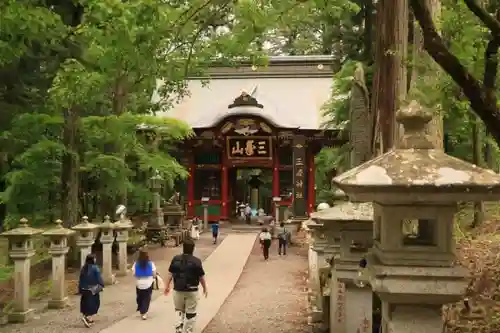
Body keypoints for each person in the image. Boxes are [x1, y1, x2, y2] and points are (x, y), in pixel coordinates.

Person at [164, 239, 208, 333]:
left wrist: (167, 286)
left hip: (178, 289)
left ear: (183, 248)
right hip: (192, 290)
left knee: (179, 310)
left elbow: (170, 274)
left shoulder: (176, 259)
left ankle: (179, 328)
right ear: (193, 249)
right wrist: (205, 287)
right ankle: (188, 330)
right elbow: (201, 277)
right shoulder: (196, 261)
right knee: (191, 312)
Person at [78, 254, 104, 328]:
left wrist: (80, 288)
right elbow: (98, 278)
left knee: (85, 303)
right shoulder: (95, 268)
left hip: (84, 288)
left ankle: (87, 317)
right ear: (92, 260)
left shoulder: (83, 268)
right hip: (92, 289)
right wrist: (101, 285)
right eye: (94, 258)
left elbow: (81, 279)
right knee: (94, 303)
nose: (95, 259)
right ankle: (88, 318)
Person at [132, 249, 157, 320]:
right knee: (146, 298)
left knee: (140, 297)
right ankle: (144, 313)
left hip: (139, 284)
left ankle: (140, 307)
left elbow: (134, 274)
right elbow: (154, 274)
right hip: (148, 284)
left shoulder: (136, 263)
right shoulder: (151, 263)